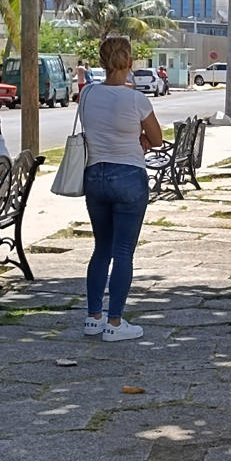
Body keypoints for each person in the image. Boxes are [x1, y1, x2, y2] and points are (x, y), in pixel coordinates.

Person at [79, 36, 165, 341]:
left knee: (101, 247)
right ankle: (115, 322)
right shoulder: (136, 100)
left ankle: (93, 317)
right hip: (129, 175)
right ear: (130, 63)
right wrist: (138, 141)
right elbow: (157, 140)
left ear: (102, 62)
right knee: (124, 251)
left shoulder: (87, 94)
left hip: (95, 176)